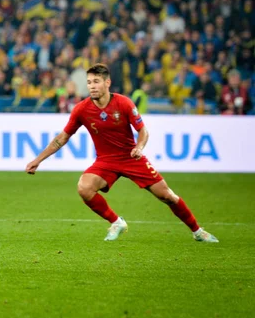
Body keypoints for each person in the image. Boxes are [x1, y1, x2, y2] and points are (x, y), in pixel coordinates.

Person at [25, 63, 218, 243]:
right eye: (89, 82)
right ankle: (116, 222)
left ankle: (198, 232)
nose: (92, 86)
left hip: (131, 157)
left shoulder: (124, 103)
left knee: (167, 196)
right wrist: (38, 160)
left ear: (107, 83)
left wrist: (139, 147)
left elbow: (143, 131)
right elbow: (62, 137)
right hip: (106, 161)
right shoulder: (81, 109)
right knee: (84, 188)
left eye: (96, 82)